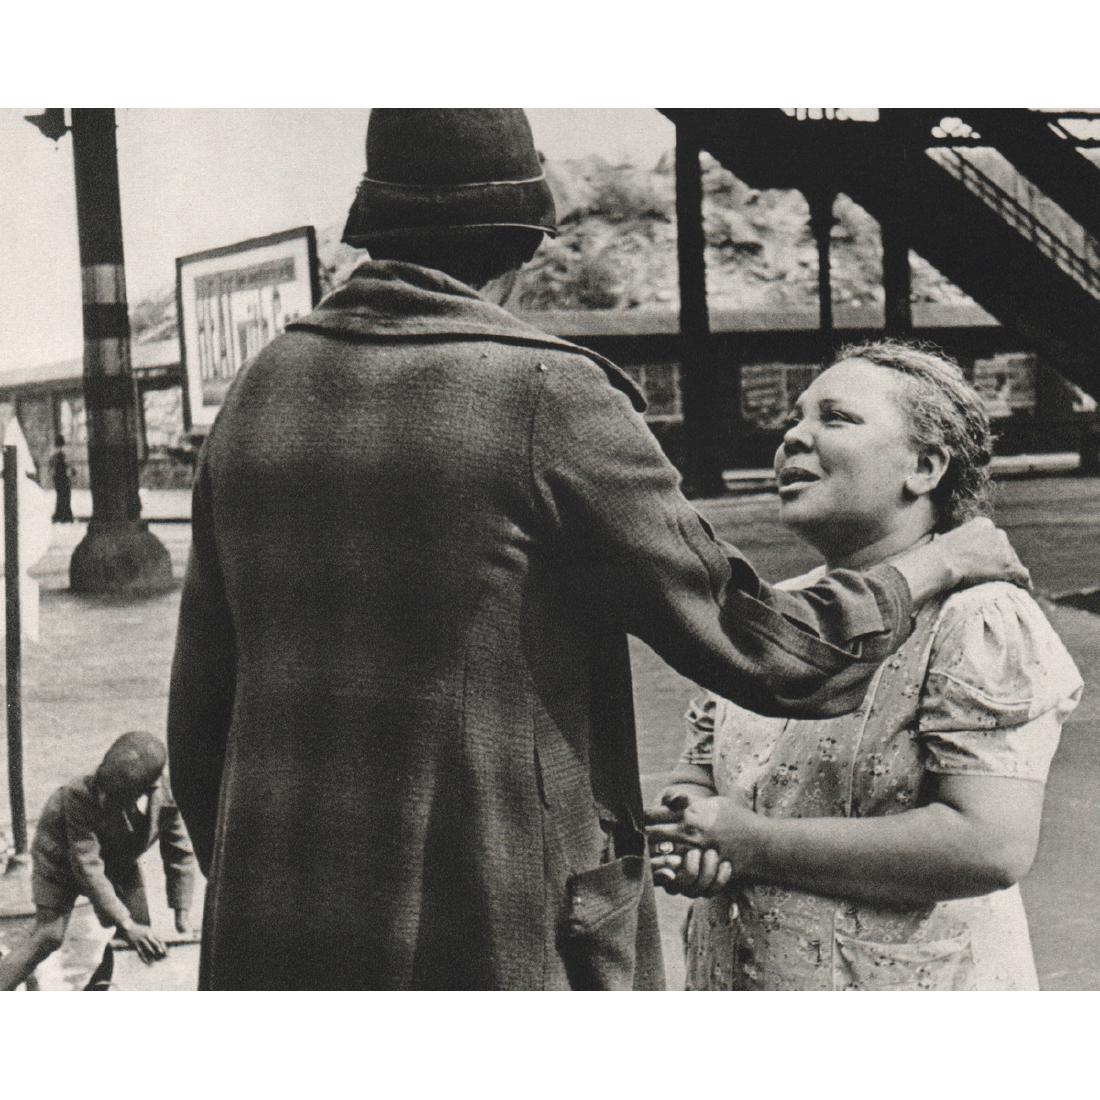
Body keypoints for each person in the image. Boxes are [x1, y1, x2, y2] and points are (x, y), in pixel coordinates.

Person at [167, 111, 1025, 991]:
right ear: (525, 241)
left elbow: (196, 724)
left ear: (373, 225)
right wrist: (939, 563)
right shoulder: (546, 392)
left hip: (276, 943)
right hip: (492, 939)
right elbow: (766, 651)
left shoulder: (261, 391)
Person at [649, 341, 1082, 991]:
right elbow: (700, 770)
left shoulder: (976, 617)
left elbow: (990, 844)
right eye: (794, 419)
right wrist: (692, 833)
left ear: (925, 467)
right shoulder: (779, 611)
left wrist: (750, 842)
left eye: (836, 418)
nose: (794, 437)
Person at [0, 731, 196, 991]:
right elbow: (87, 866)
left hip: (118, 859)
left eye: (114, 795)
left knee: (139, 937)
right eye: (102, 787)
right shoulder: (78, 794)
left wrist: (182, 917)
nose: (102, 798)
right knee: (49, 935)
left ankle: (99, 990)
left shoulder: (167, 794)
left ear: (148, 789)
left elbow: (179, 852)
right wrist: (125, 922)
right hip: (60, 858)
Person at [49, 434, 74, 523]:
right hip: (63, 478)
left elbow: (52, 467)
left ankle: (61, 515)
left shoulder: (55, 456)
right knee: (65, 496)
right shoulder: (61, 455)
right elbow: (68, 466)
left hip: (59, 478)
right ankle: (65, 516)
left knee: (61, 496)